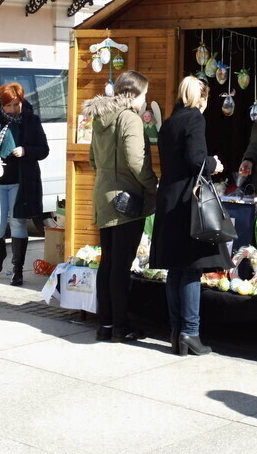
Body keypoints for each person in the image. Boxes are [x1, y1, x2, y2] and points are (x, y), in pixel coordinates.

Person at [149, 75, 231, 356]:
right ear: (201, 98)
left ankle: (175, 332)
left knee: (175, 270)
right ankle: (191, 333)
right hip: (188, 202)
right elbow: (197, 160)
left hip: (169, 197)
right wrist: (214, 164)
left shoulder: (170, 121)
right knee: (192, 269)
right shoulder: (195, 118)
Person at [82, 70, 158, 343]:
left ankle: (105, 324)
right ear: (134, 95)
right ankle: (121, 327)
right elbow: (137, 161)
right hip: (127, 199)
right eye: (145, 94)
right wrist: (153, 185)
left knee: (108, 263)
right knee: (120, 267)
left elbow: (92, 159)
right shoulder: (130, 119)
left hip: (103, 196)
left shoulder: (102, 117)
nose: (146, 100)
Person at [0, 82, 49, 286]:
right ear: (2, 105)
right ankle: (0, 255)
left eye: (17, 104)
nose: (14, 109)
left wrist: (26, 151)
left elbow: (43, 150)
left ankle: (18, 271)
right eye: (10, 105)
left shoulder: (31, 120)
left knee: (18, 223)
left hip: (21, 181)